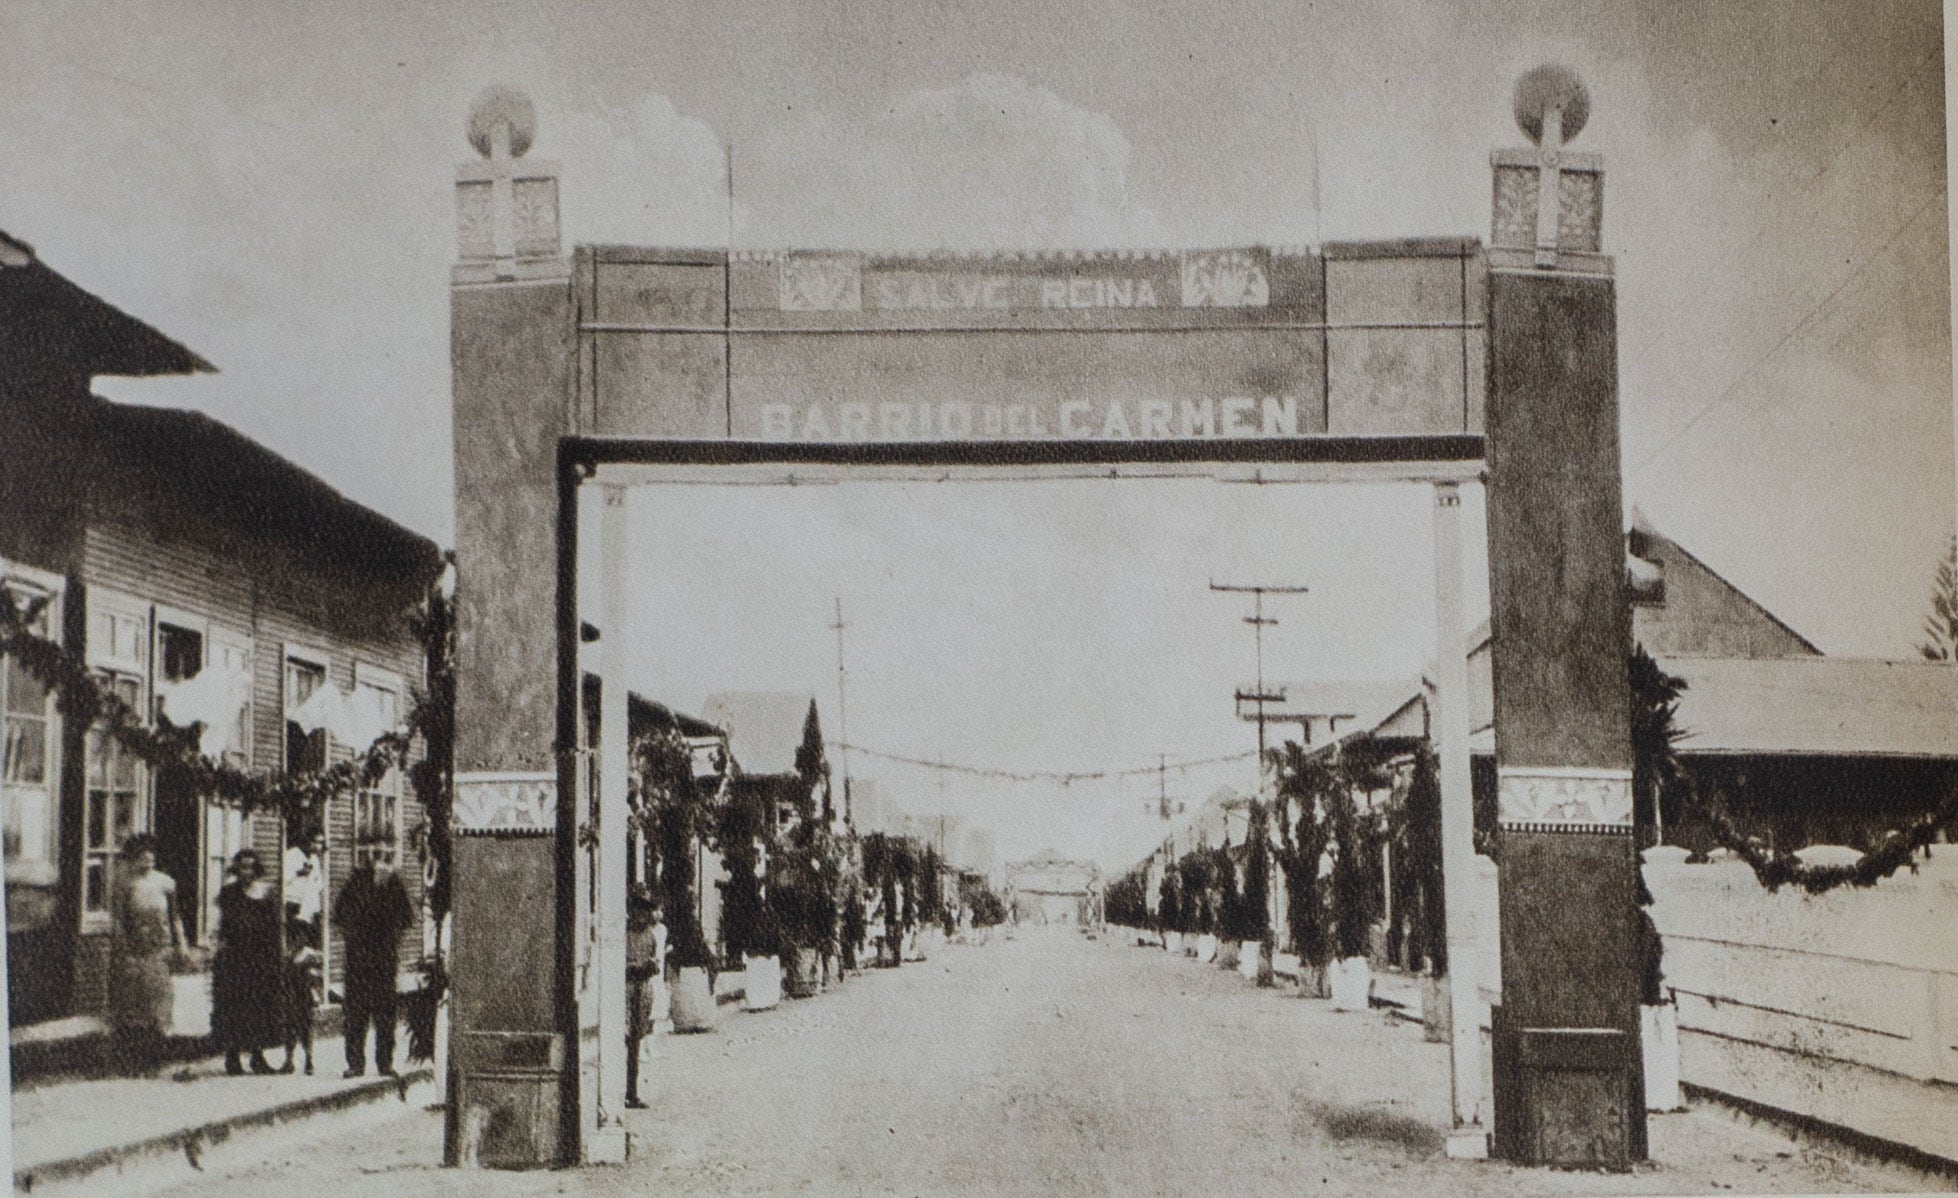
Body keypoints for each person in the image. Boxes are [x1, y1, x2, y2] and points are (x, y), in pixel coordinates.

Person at [108, 834, 184, 1076]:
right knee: (133, 1007)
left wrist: (181, 944)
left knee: (158, 1007)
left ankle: (155, 1060)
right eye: (142, 857)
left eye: (151, 857)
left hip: (159, 951)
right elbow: (118, 920)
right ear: (133, 859)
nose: (148, 861)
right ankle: (131, 1062)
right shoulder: (123, 883)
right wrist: (124, 951)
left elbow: (175, 918)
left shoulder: (166, 883)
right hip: (133, 951)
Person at [334, 855, 413, 1078]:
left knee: (385, 1015)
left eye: (386, 862)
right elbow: (340, 916)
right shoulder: (355, 883)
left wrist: (392, 939)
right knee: (355, 1014)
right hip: (358, 961)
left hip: (384, 961)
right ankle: (355, 1063)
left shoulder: (394, 885)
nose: (382, 868)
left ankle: (384, 1063)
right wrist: (353, 938)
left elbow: (406, 918)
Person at [212, 848, 282, 1075]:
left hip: (259, 959)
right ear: (237, 869)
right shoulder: (229, 894)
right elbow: (222, 926)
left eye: (251, 867)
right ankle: (232, 1057)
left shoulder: (265, 895)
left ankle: (257, 1056)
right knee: (234, 1007)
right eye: (242, 867)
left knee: (259, 1007)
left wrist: (274, 958)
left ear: (257, 869)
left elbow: (273, 929)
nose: (247, 872)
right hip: (234, 958)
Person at [624, 891, 660, 1109]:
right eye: (638, 911)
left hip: (643, 987)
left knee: (637, 1039)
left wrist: (651, 967)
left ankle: (632, 1092)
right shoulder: (623, 934)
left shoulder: (650, 935)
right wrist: (634, 968)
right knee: (625, 1036)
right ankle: (621, 1090)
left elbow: (653, 959)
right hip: (626, 987)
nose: (642, 916)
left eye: (646, 911)